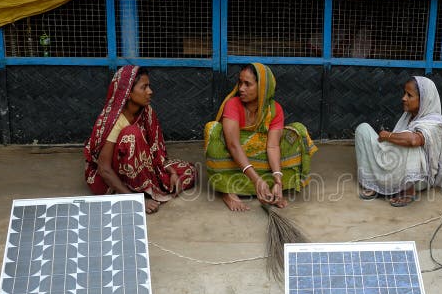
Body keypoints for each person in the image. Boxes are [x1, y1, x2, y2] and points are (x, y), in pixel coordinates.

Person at [204, 63, 317, 211]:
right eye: (240, 83)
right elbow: (233, 145)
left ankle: (273, 188)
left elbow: (272, 146)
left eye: (247, 84)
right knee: (212, 130)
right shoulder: (233, 104)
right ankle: (228, 190)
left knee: (296, 133)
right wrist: (256, 179)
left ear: (263, 87)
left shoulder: (275, 109)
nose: (241, 88)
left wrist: (278, 178)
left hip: (259, 155)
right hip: (235, 153)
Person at [83, 65, 196, 214]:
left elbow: (155, 151)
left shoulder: (147, 112)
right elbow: (104, 169)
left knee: (189, 170)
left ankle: (144, 186)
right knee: (132, 134)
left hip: (142, 166)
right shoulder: (114, 120)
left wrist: (173, 173)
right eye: (144, 87)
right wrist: (137, 201)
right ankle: (131, 193)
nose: (150, 92)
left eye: (149, 86)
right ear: (127, 93)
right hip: (113, 175)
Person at [354, 76, 442, 207]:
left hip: (418, 179)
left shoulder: (435, 123)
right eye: (404, 93)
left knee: (412, 143)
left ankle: (408, 191)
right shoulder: (409, 115)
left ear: (424, 99)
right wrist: (388, 140)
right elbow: (395, 146)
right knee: (363, 129)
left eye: (409, 95)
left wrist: (388, 136)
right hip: (397, 165)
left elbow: (413, 140)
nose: (404, 98)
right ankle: (377, 183)